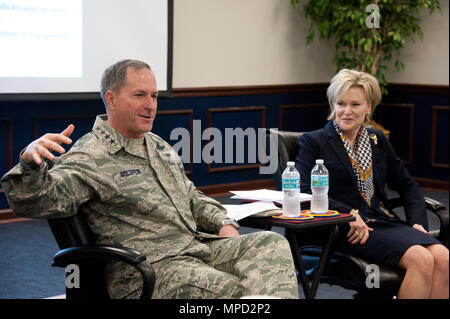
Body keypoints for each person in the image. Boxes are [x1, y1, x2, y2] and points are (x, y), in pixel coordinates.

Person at [1, 59, 299, 299]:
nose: (151, 104)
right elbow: (39, 201)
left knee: (271, 245)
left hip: (195, 248)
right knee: (233, 290)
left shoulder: (157, 145)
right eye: (140, 95)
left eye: (154, 96)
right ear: (111, 99)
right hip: (149, 269)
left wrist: (221, 223)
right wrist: (29, 163)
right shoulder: (90, 155)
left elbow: (190, 196)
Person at [295, 69, 448, 299]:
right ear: (332, 104)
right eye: (341, 103)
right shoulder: (315, 141)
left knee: (444, 257)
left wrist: (417, 222)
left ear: (369, 107)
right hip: (342, 228)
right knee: (421, 259)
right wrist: (348, 213)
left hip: (380, 220)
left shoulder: (376, 139)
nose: (346, 111)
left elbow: (407, 185)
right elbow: (303, 191)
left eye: (355, 104)